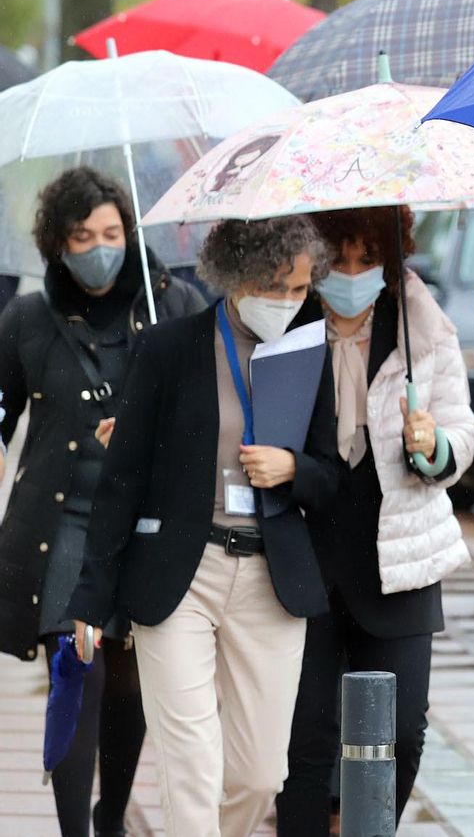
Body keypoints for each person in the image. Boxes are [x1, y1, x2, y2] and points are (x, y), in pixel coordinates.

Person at [64, 215, 342, 837]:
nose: (289, 302)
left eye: (301, 290)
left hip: (272, 581)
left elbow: (331, 478)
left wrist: (292, 467)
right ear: (239, 273)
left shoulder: (305, 355)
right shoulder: (170, 348)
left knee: (259, 775)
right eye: (277, 285)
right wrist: (91, 596)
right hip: (178, 576)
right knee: (191, 768)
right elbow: (122, 481)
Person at [0, 167, 205, 837]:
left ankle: (111, 814)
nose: (98, 247)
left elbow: (213, 415)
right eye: (82, 235)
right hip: (62, 521)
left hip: (144, 522)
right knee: (75, 668)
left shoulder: (174, 306)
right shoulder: (28, 318)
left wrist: (147, 430)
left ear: (131, 231)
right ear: (56, 242)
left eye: (111, 232)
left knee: (129, 680)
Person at [278, 206, 474, 833]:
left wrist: (434, 443)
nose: (354, 274)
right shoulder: (285, 319)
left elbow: (460, 428)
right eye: (341, 259)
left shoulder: (423, 326)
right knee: (304, 739)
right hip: (304, 557)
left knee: (403, 733)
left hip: (398, 556)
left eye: (370, 259)